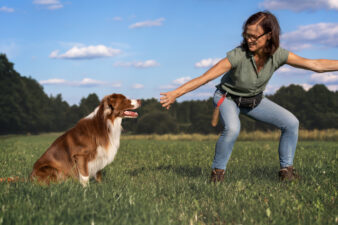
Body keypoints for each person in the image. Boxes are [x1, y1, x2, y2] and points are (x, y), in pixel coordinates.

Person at [160, 11, 338, 182]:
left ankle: (287, 172)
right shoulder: (238, 55)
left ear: (269, 35)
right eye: (247, 35)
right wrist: (176, 93)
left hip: (254, 101)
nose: (249, 40)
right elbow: (205, 78)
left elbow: (315, 64)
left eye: (254, 36)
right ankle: (217, 174)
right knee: (233, 129)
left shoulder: (278, 55)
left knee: (291, 123)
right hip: (227, 98)